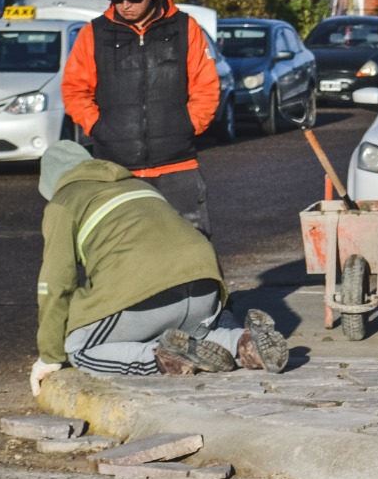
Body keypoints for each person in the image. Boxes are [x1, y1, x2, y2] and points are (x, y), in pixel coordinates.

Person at [29, 140, 288, 397]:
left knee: (79, 349)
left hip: (147, 293)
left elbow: (55, 284)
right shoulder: (139, 186)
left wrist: (50, 356)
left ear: (52, 183)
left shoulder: (62, 202)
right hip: (203, 289)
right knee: (191, 336)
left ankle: (163, 358)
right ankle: (243, 343)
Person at [60, 0, 220, 235]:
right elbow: (74, 89)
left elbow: (206, 86)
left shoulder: (185, 28)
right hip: (116, 170)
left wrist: (187, 125)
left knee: (191, 247)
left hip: (177, 166)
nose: (125, 5)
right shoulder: (94, 33)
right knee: (120, 249)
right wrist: (99, 127)